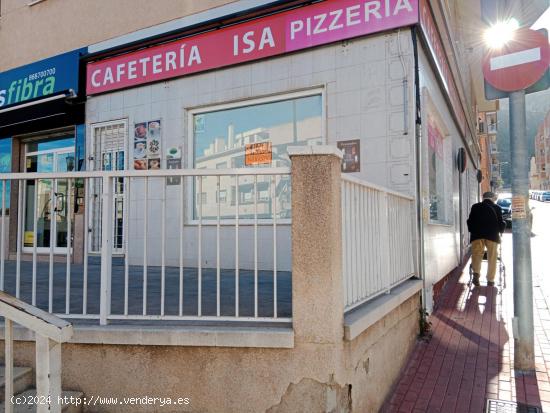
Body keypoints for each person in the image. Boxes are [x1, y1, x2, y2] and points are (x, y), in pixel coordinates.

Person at [467, 191, 506, 286]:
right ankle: (490, 280)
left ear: (482, 197)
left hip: (477, 235)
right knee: (492, 257)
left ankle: (476, 273)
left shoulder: (475, 206)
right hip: (492, 236)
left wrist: (472, 231)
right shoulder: (497, 208)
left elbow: (470, 221)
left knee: (477, 254)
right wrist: (502, 229)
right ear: (493, 198)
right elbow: (501, 223)